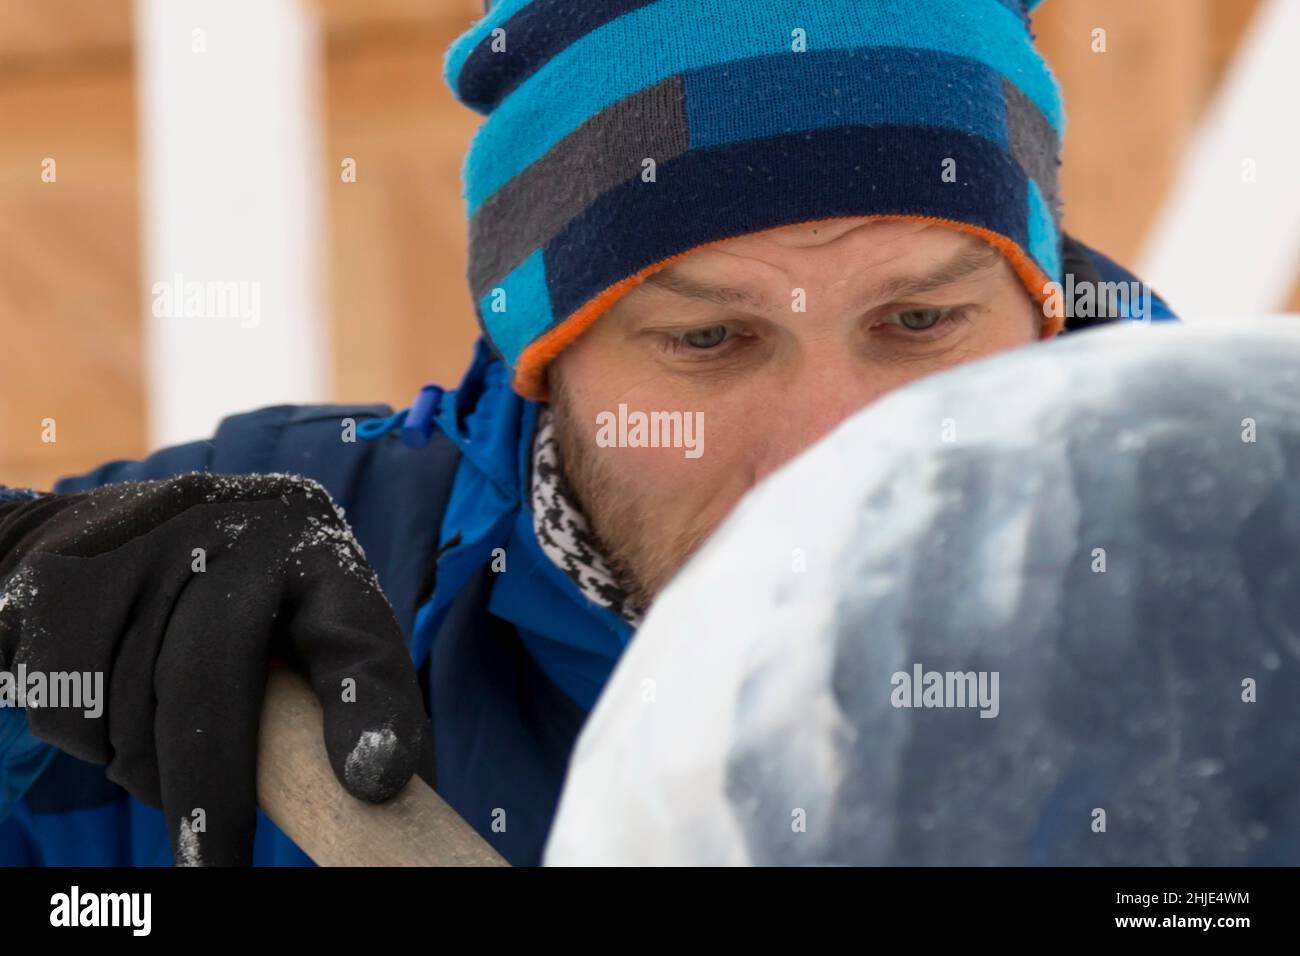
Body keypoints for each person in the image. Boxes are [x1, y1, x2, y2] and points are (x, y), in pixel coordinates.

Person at [0, 0, 1175, 866]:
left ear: (1041, 311)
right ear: (546, 360)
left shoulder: (1239, 595)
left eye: (917, 321)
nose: (831, 450)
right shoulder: (253, 598)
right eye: (709, 340)